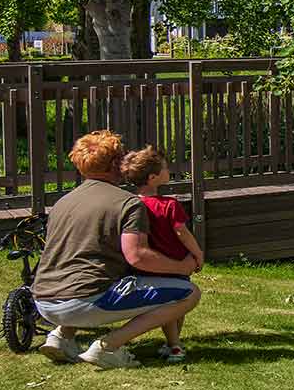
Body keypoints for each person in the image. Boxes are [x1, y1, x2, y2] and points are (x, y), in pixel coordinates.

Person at [30, 130, 202, 369]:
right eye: (120, 157)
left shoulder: (63, 202)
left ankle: (60, 337)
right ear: (114, 164)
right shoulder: (127, 203)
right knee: (189, 293)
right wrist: (183, 266)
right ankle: (107, 346)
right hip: (86, 302)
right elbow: (138, 256)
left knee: (91, 277)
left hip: (44, 301)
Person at [118, 146, 203, 362]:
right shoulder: (169, 205)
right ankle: (175, 345)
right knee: (176, 305)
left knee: (168, 305)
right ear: (153, 177)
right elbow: (181, 232)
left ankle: (171, 343)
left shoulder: (131, 205)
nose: (169, 170)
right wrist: (197, 253)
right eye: (165, 168)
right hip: (174, 263)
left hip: (149, 265)